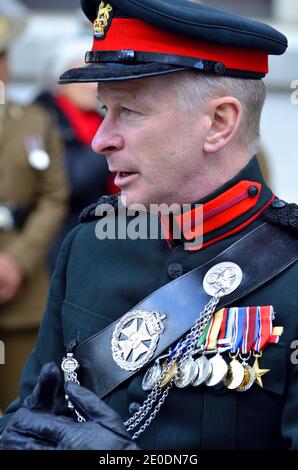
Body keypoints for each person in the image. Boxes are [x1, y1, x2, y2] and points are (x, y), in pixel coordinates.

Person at [0, 0, 297, 451]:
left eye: (130, 112)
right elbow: (28, 414)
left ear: (219, 123)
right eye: (104, 109)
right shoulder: (90, 245)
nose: (101, 139)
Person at [0, 4, 68, 409]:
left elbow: (54, 195)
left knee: (20, 410)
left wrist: (16, 261)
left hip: (21, 292)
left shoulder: (34, 121)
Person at [35, 38, 112, 272]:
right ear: (62, 75)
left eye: (97, 75)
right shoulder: (43, 118)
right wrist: (111, 150)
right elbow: (70, 181)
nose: (94, 84)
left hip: (101, 236)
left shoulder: (99, 118)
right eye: (84, 74)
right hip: (56, 242)